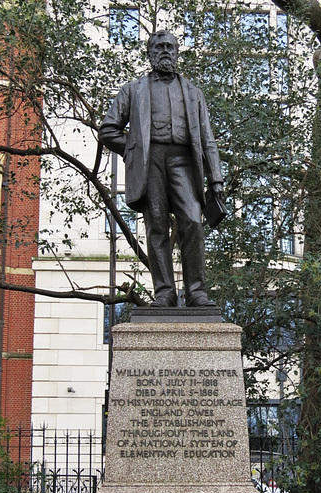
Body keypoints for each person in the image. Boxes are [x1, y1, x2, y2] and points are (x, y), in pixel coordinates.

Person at [99, 30, 224, 307]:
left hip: (183, 162)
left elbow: (207, 139)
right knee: (156, 225)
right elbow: (108, 130)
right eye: (159, 46)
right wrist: (134, 150)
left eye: (170, 46)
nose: (165, 51)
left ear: (177, 52)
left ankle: (196, 292)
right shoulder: (133, 90)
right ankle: (165, 292)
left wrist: (216, 178)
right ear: (150, 53)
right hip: (150, 161)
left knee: (192, 221)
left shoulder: (193, 93)